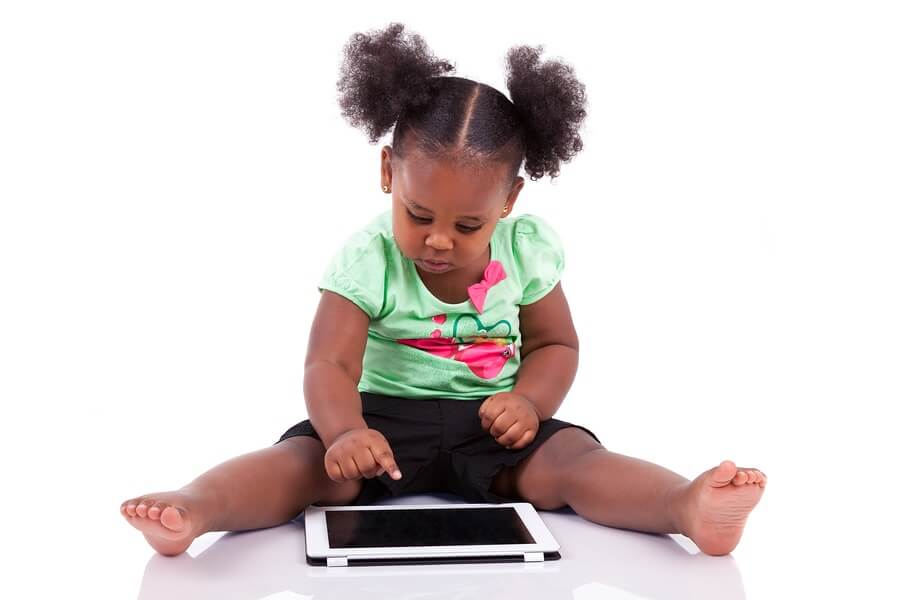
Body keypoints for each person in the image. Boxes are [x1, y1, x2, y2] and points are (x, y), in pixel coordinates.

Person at [120, 23, 766, 558]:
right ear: (386, 173)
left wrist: (531, 404)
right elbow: (329, 362)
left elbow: (556, 343)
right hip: (377, 420)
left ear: (509, 200)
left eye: (468, 225)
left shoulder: (527, 252)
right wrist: (343, 431)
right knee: (299, 465)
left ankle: (685, 505)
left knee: (573, 462)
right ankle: (197, 507)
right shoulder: (366, 259)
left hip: (493, 423)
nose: (438, 241)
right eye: (419, 215)